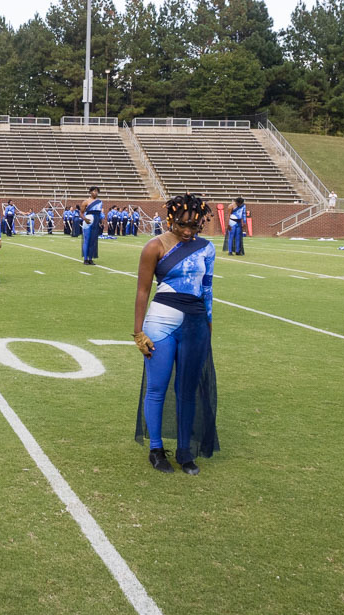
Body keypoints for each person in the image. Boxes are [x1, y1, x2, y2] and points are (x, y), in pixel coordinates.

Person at [132, 193, 219, 475]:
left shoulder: (206, 248)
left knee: (187, 390)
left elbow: (207, 290)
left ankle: (185, 452)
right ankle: (156, 449)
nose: (186, 231)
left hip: (195, 323)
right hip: (160, 322)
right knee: (157, 388)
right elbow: (143, 290)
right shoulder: (153, 247)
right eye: (182, 224)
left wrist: (208, 327)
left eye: (193, 226)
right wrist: (137, 332)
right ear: (171, 219)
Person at [81, 186, 103, 265]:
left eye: (97, 191)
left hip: (96, 221)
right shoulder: (85, 202)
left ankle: (91, 259)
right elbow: (81, 213)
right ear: (90, 192)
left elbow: (99, 213)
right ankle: (85, 259)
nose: (95, 193)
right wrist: (84, 219)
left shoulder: (100, 202)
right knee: (87, 240)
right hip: (88, 221)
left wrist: (101, 221)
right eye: (94, 191)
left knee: (93, 241)